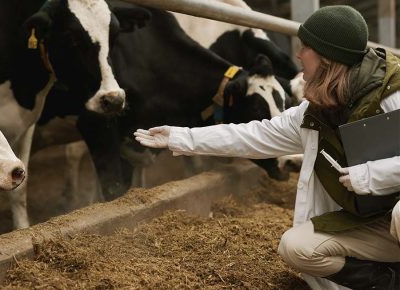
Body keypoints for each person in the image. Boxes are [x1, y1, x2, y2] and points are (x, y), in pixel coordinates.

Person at [134, 5, 400, 290]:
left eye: (305, 47)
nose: (297, 55)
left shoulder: (392, 97)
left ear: (326, 58)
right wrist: (179, 137)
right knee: (295, 247)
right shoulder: (314, 112)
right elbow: (253, 135)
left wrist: (371, 176)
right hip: (375, 226)